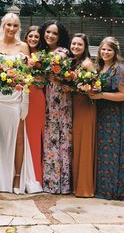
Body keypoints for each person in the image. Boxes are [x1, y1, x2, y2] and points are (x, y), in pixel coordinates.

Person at [0, 13, 42, 194]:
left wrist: (24, 97)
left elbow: (28, 74)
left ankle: (17, 175)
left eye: (15, 25)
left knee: (18, 136)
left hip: (16, 96)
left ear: (19, 28)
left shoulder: (24, 46)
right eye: (8, 24)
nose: (11, 28)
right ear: (2, 25)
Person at [39, 20, 72, 194]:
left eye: (54, 33)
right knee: (48, 136)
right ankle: (49, 180)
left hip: (58, 98)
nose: (50, 36)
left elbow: (67, 77)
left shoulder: (62, 53)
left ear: (60, 36)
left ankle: (60, 183)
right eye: (48, 32)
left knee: (59, 137)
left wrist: (57, 80)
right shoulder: (42, 52)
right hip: (44, 97)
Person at [89, 36, 124, 200]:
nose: (105, 52)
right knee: (101, 151)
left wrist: (101, 94)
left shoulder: (119, 69)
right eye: (103, 49)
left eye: (109, 49)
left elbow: (123, 95)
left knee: (112, 150)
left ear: (115, 51)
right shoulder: (99, 67)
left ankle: (112, 190)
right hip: (100, 113)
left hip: (114, 115)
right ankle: (101, 188)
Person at [69, 33, 96, 197]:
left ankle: (84, 188)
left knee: (83, 145)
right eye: (73, 44)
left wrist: (78, 88)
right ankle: (77, 185)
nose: (76, 47)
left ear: (85, 47)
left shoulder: (87, 64)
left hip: (85, 107)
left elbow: (94, 88)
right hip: (76, 105)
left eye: (79, 44)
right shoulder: (74, 62)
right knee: (77, 144)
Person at [24, 26, 45, 185]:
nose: (33, 39)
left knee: (34, 134)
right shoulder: (20, 51)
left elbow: (44, 80)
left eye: (36, 37)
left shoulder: (42, 56)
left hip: (36, 97)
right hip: (19, 96)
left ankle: (36, 175)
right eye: (30, 36)